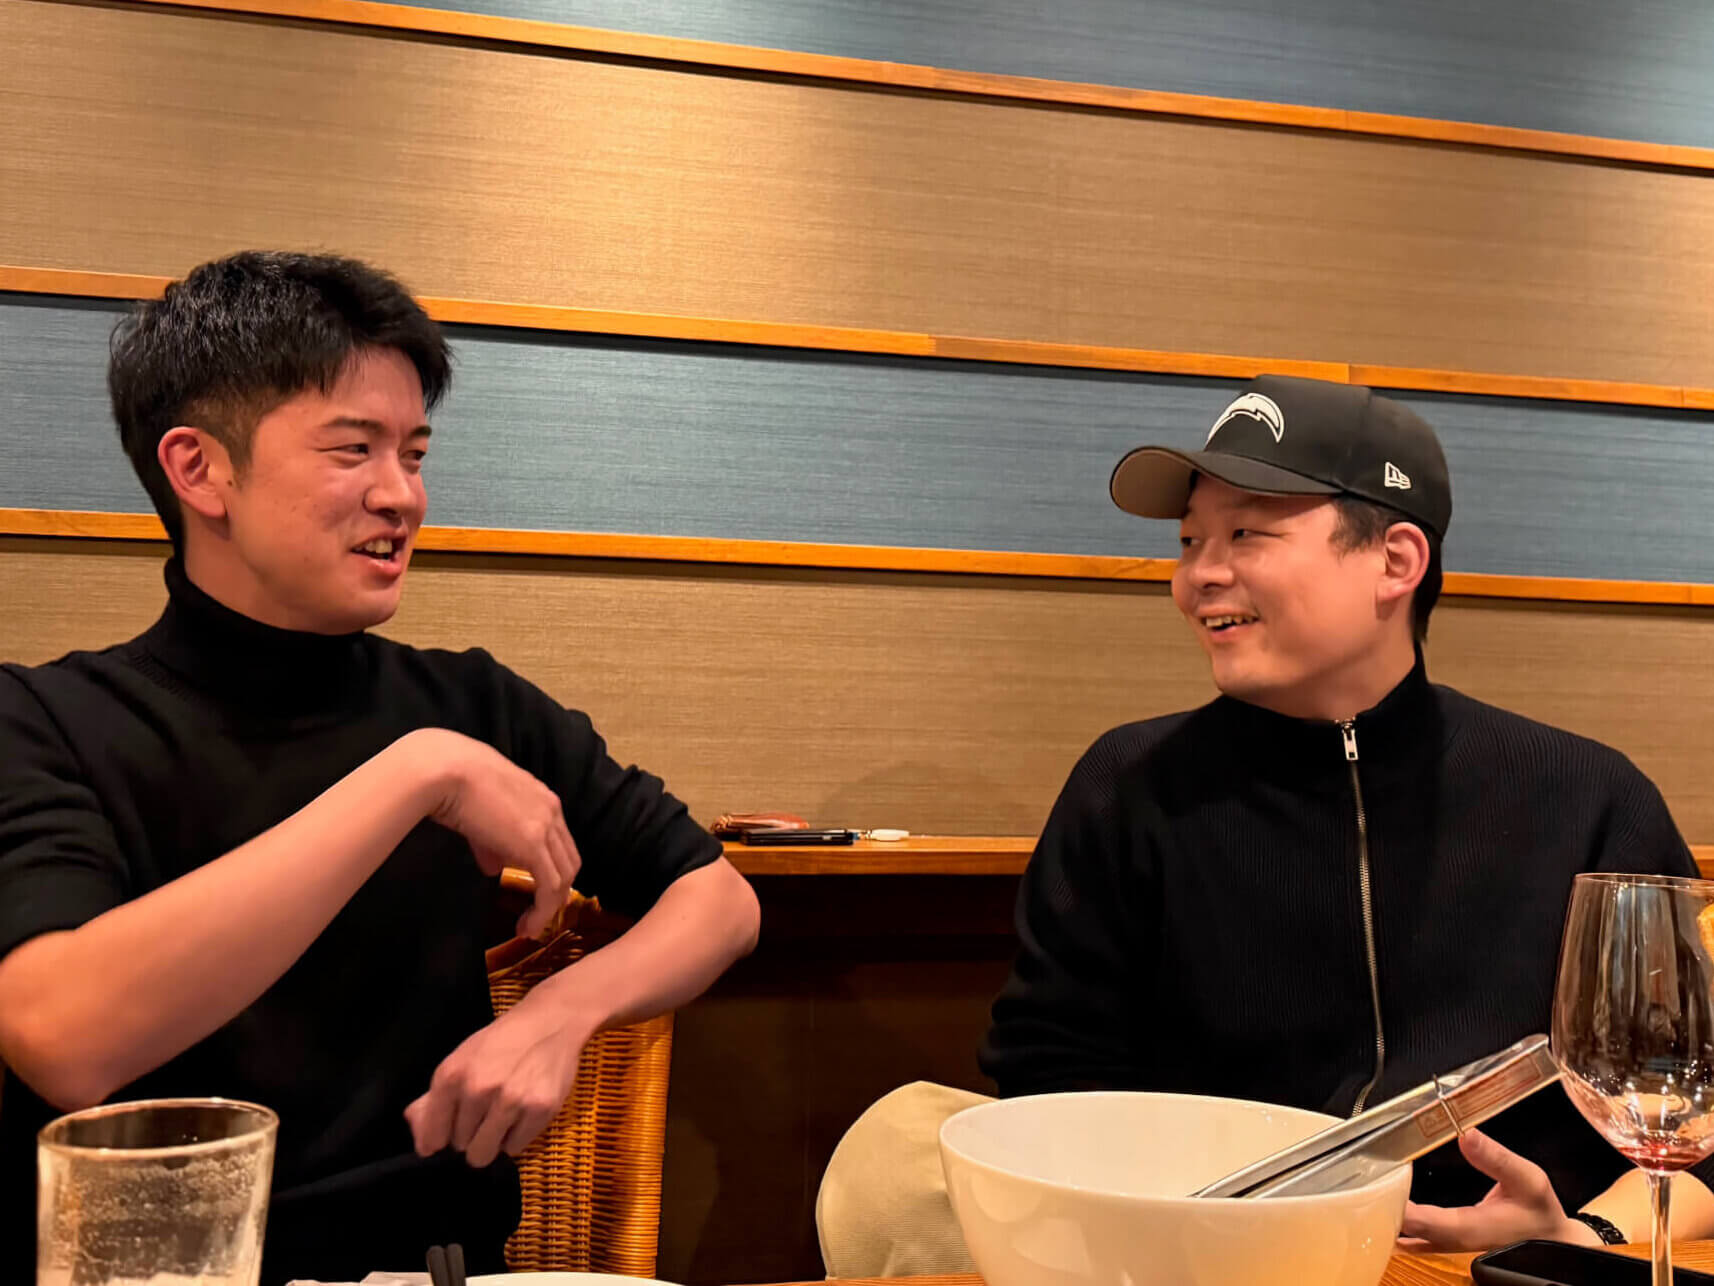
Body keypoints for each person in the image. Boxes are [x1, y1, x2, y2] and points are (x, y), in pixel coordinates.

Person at [0, 251, 761, 1283]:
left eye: (414, 453)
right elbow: (62, 1036)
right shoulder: (43, 719)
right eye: (352, 449)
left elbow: (717, 899)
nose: (402, 495)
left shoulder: (471, 702)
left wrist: (563, 1010)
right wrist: (414, 777)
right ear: (199, 469)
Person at [977, 374, 1714, 1252]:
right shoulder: (1129, 787)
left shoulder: (1587, 796)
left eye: (1245, 533)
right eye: (1189, 541)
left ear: (1396, 562)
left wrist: (1585, 1240)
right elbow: (1049, 1091)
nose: (1199, 576)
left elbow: (1696, 1104)